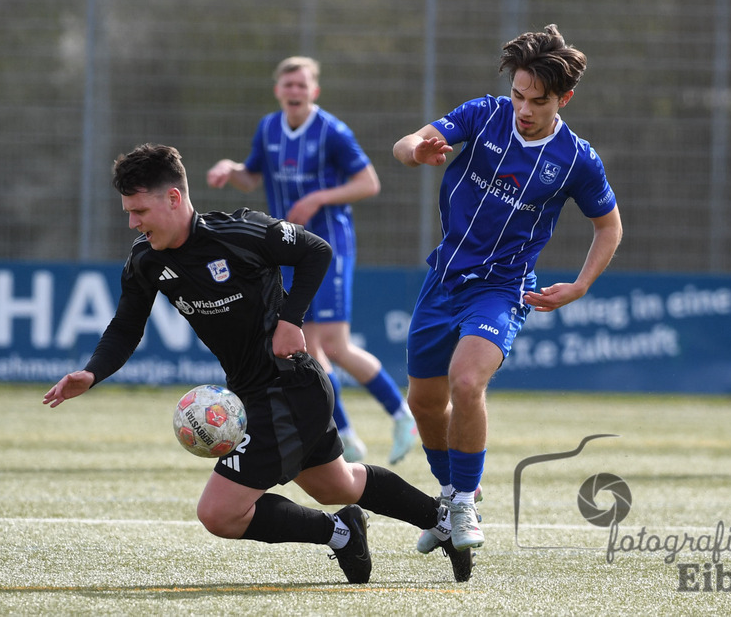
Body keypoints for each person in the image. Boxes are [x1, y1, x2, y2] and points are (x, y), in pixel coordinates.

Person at [44, 143, 472, 583]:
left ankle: (340, 532)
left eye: (139, 211)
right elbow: (125, 326)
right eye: (128, 213)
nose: (133, 222)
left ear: (173, 198)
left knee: (218, 513)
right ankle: (440, 522)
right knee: (337, 486)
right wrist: (92, 372)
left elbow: (316, 251)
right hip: (255, 392)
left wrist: (291, 321)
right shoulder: (146, 260)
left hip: (288, 387)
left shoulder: (240, 232)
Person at [392, 24, 623, 554]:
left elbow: (608, 226)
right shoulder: (483, 114)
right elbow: (406, 143)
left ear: (563, 98)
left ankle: (466, 501)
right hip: (444, 276)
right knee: (424, 403)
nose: (523, 108)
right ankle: (450, 497)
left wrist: (582, 285)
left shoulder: (576, 159)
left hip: (501, 287)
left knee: (466, 382)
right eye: (518, 95)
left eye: (537, 101)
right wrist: (416, 150)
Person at [206, 56, 417, 465]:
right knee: (310, 346)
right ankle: (348, 437)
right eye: (288, 85)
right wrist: (229, 169)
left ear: (314, 91)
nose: (295, 92)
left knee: (334, 344)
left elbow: (368, 182)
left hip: (329, 246)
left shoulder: (332, 131)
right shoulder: (268, 128)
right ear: (278, 91)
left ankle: (402, 416)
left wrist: (318, 197)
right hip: (288, 248)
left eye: (302, 85)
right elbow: (252, 177)